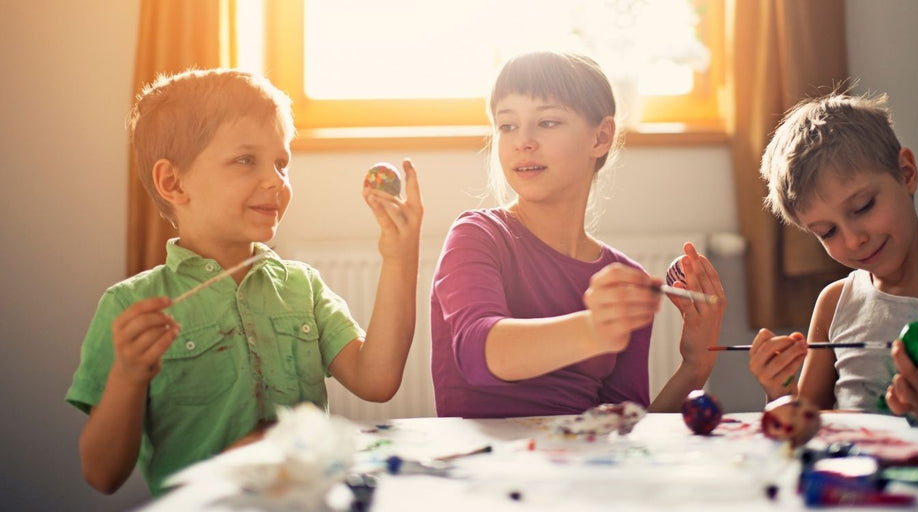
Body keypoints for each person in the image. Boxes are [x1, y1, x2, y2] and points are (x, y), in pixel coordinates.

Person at [65, 69, 424, 494]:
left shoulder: (301, 287)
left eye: (281, 162)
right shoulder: (130, 306)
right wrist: (127, 376)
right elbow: (102, 474)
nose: (276, 179)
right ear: (173, 182)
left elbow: (377, 380)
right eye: (245, 160)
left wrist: (399, 259)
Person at [430, 51, 726, 419]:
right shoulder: (477, 235)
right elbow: (479, 353)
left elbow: (623, 424)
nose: (523, 140)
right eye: (507, 126)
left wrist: (695, 367)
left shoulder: (625, 278)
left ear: (600, 137)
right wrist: (594, 330)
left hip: (580, 470)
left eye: (547, 122)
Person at [749, 91, 918, 465]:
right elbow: (803, 428)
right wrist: (779, 393)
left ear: (906, 173)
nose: (853, 239)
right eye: (827, 232)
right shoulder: (834, 304)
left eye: (863, 207)